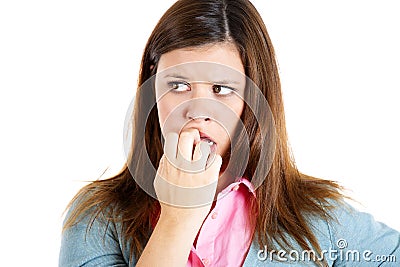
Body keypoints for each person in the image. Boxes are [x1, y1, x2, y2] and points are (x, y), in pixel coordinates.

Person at [59, 0, 400, 266]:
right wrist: (178, 217)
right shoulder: (98, 217)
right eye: (177, 85)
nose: (197, 110)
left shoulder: (320, 220)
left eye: (221, 89)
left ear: (253, 98)